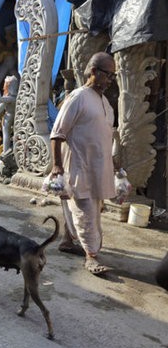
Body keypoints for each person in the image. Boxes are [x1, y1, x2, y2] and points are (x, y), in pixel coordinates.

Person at [50, 52, 119, 275]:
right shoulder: (78, 97)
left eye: (113, 75)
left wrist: (115, 165)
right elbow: (57, 134)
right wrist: (57, 166)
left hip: (98, 168)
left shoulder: (105, 102)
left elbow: (103, 136)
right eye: (107, 74)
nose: (110, 79)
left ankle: (68, 241)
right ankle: (91, 257)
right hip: (79, 165)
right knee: (86, 212)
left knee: (89, 208)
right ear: (93, 72)